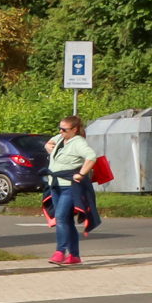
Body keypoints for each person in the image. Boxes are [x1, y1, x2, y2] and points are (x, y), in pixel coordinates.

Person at [43, 114, 97, 266]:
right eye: (59, 128)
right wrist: (48, 145)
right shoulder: (62, 138)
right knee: (66, 220)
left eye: (64, 129)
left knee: (60, 218)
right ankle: (74, 255)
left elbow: (91, 156)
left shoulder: (78, 142)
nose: (61, 132)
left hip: (69, 187)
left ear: (74, 129)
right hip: (55, 185)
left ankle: (60, 252)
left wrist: (81, 174)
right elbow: (50, 142)